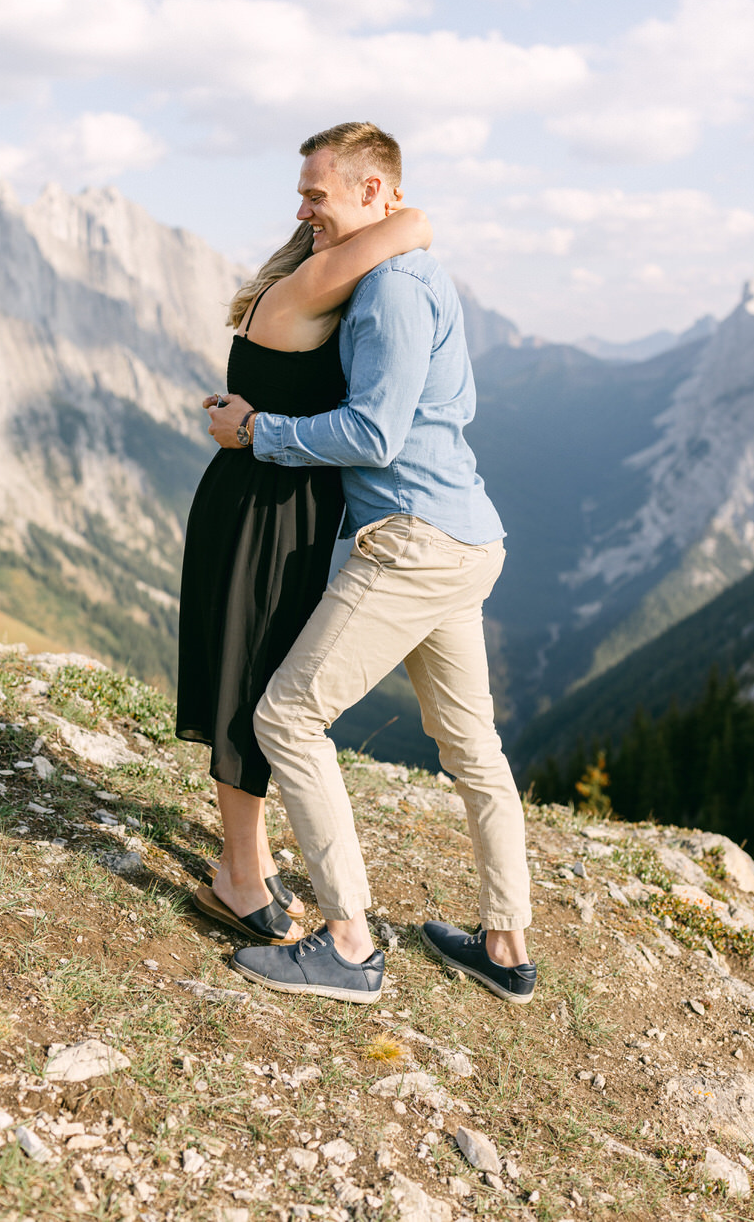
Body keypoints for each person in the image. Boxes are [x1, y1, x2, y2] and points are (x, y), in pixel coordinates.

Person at [207, 120, 535, 1004]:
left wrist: (256, 430)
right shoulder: (421, 273)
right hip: (472, 536)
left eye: (318, 192)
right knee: (472, 746)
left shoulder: (388, 289)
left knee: (287, 718)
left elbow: (374, 432)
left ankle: (349, 945)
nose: (304, 207)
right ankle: (506, 944)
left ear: (373, 193)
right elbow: (444, 405)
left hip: (411, 541)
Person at [176, 152, 431, 946]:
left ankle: (242, 858)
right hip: (266, 508)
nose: (302, 213)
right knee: (249, 680)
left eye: (312, 199)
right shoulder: (307, 286)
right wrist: (386, 206)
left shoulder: (297, 288)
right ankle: (238, 875)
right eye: (306, 200)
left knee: (252, 673)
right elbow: (416, 224)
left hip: (263, 498)